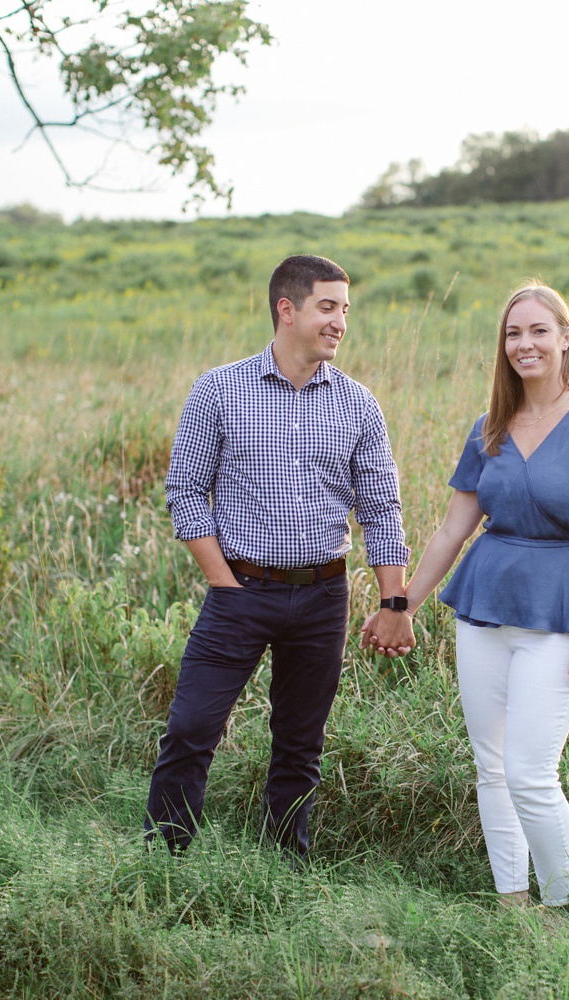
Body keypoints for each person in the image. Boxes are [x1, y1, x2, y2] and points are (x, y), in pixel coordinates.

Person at [363, 281, 569, 907]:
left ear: (567, 337)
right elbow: (452, 529)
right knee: (492, 768)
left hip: (560, 611)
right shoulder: (489, 426)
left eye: (539, 331)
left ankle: (563, 909)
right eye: (513, 333)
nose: (525, 344)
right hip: (484, 607)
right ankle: (511, 904)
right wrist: (399, 603)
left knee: (531, 774)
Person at [147, 254, 415, 860]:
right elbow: (185, 490)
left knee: (300, 743)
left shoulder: (358, 404)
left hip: (323, 597)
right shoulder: (220, 390)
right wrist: (223, 583)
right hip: (240, 590)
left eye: (345, 310)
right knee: (192, 729)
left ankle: (285, 866)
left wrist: (394, 601)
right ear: (286, 309)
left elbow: (381, 509)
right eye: (328, 307)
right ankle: (165, 859)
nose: (340, 322)